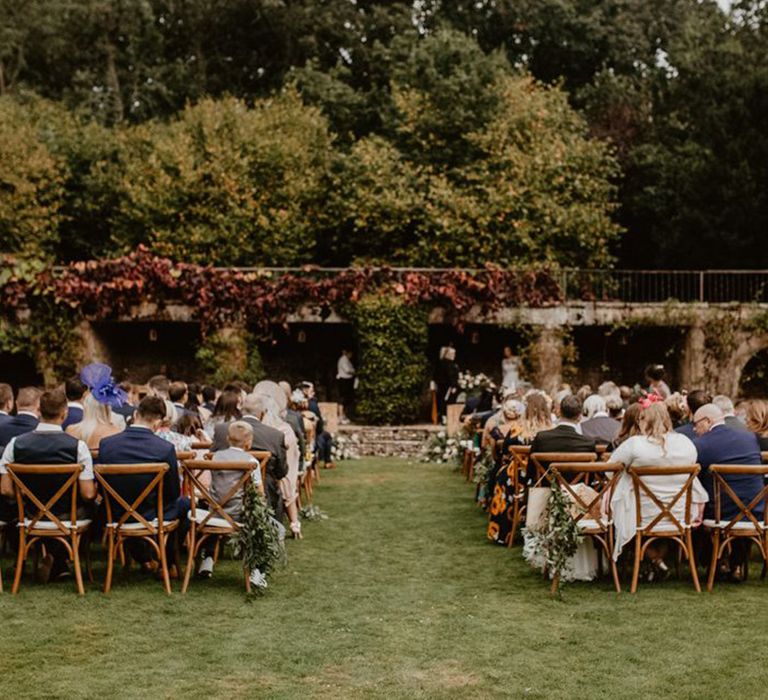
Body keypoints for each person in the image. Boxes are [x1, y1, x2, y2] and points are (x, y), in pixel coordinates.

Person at [0, 389, 96, 581]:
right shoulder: (78, 447)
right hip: (69, 516)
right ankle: (64, 559)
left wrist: (24, 496)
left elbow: (5, 489)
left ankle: (54, 558)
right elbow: (87, 494)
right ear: (65, 413)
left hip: (29, 515)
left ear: (38, 410)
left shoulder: (15, 444)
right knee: (95, 507)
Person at [609, 402, 708, 577]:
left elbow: (609, 470)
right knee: (660, 523)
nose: (638, 423)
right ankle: (657, 563)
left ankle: (654, 562)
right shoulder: (686, 444)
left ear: (647, 420)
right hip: (679, 515)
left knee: (622, 507)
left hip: (642, 516)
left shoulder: (635, 444)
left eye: (640, 418)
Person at [98, 396, 189, 574]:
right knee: (184, 504)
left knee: (128, 506)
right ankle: (168, 562)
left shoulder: (107, 445)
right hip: (152, 514)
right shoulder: (165, 448)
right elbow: (172, 492)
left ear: (135, 414)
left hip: (116, 514)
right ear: (158, 422)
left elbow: (102, 487)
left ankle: (145, 559)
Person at [197, 421, 274, 588]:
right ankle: (257, 570)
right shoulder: (251, 461)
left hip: (212, 515)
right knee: (264, 521)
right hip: (238, 515)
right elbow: (259, 494)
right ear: (249, 442)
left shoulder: (215, 457)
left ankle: (208, 558)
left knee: (212, 505)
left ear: (226, 439)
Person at [692, 403, 764, 580]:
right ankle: (736, 563)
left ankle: (715, 562)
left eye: (696, 424)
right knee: (740, 500)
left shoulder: (701, 444)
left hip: (719, 514)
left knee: (699, 505)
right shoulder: (749, 438)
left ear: (707, 421)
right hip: (758, 511)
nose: (694, 429)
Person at [235, 393, 289, 520]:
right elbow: (281, 472)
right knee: (275, 489)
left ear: (241, 410)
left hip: (229, 496)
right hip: (265, 496)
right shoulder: (275, 436)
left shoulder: (224, 430)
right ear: (263, 413)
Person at [435, 346, 459, 418]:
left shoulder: (440, 363)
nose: (454, 355)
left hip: (441, 385)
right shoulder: (450, 365)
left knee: (442, 401)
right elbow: (451, 376)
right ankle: (446, 416)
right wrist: (454, 385)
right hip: (448, 386)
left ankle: (442, 415)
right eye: (453, 354)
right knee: (448, 402)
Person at [336, 349, 355, 424]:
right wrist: (353, 371)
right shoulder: (343, 359)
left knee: (346, 398)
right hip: (343, 380)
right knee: (342, 398)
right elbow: (347, 370)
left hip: (347, 380)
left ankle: (343, 414)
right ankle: (340, 415)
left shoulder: (347, 359)